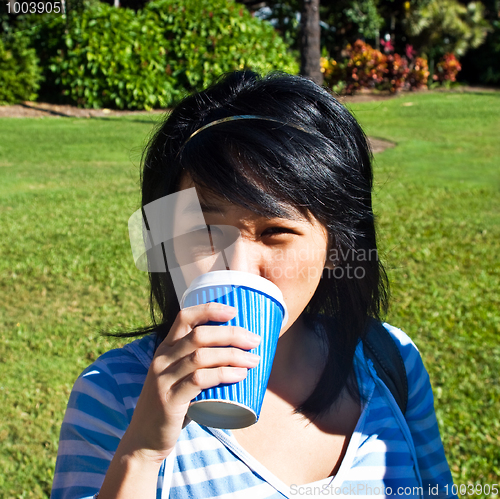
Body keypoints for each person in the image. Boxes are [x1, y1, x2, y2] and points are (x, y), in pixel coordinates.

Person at [51, 71, 456, 499]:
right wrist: (143, 452)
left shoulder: (391, 362)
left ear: (336, 248)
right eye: (205, 230)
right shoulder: (113, 392)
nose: (238, 268)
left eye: (274, 232)